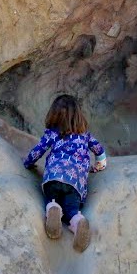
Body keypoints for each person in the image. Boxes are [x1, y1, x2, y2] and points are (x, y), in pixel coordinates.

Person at [22, 93, 107, 252]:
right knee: (71, 209)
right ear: (78, 116)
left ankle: (53, 208)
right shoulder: (85, 135)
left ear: (53, 115)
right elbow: (99, 151)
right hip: (75, 182)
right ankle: (77, 220)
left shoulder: (52, 133)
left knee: (51, 197)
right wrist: (100, 166)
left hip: (54, 175)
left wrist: (27, 163)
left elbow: (38, 151)